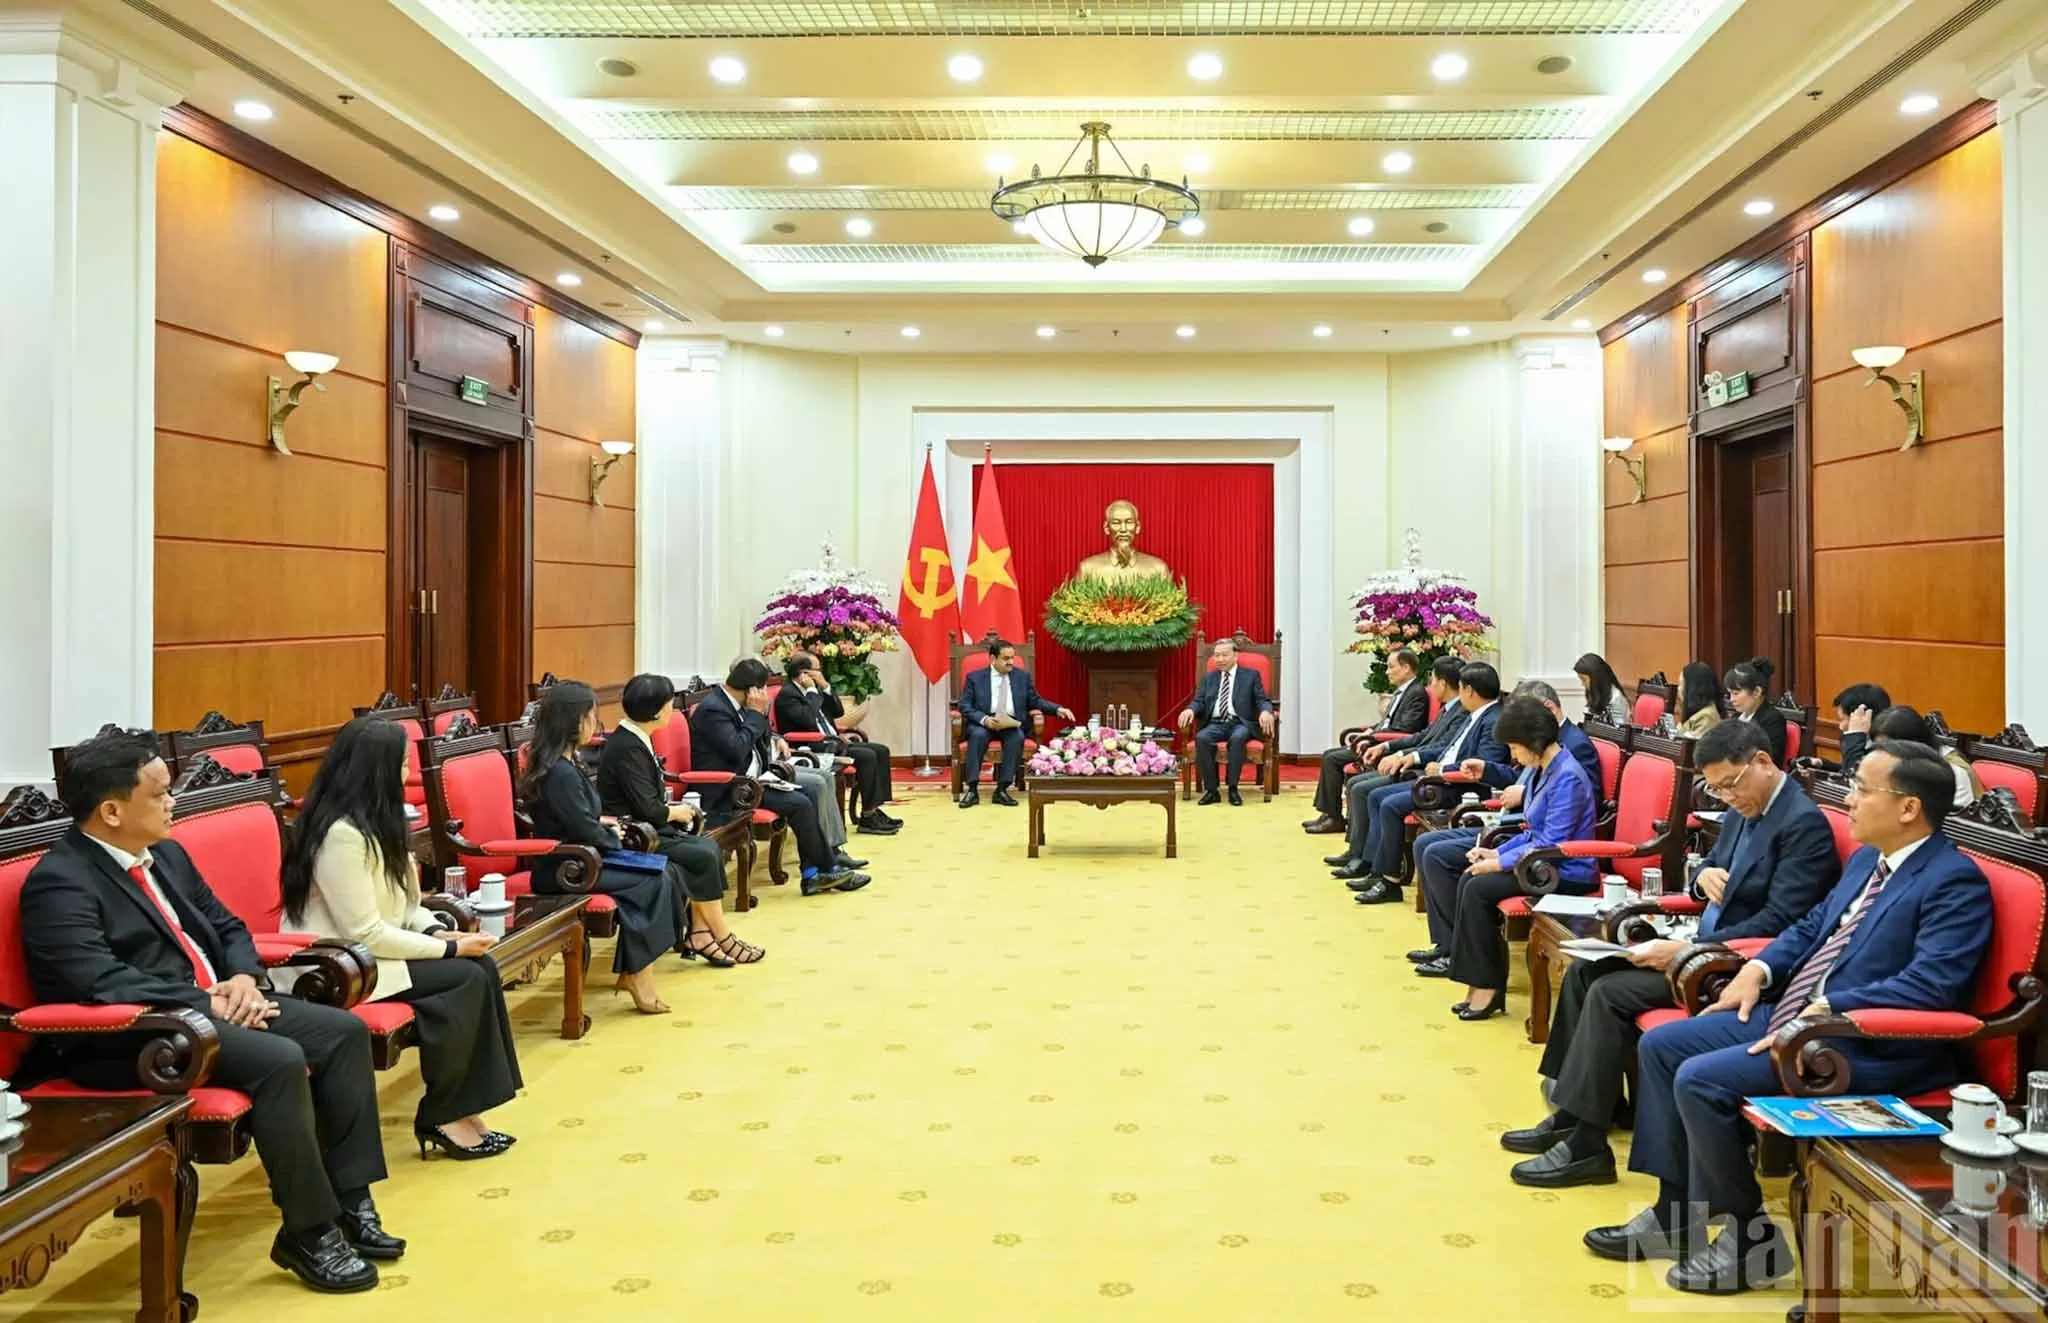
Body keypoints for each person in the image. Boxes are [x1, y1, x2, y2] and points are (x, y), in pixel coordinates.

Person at [1587, 740, 1991, 1294]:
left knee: (1700, 1079)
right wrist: (1761, 969)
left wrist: (1832, 1007)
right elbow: (1811, 928)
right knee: (1662, 1047)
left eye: (1861, 789)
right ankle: (1675, 1215)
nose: (1847, 801)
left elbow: (1933, 985)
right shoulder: (1872, 861)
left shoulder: (1953, 881)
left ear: (1908, 808)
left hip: (1865, 1044)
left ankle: (1749, 1241)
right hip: (1800, 1012)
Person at [20, 730, 399, 1293]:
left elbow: (225, 926)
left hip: (212, 1008)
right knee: (279, 1060)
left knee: (342, 1033)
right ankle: (310, 1231)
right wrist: (208, 1000)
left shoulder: (166, 853)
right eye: (160, 794)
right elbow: (98, 980)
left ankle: (350, 1199)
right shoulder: (59, 881)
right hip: (141, 1036)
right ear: (112, 810)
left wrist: (244, 978)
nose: (173, 803)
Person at [1503, 720, 1839, 1188]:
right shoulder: (1745, 804)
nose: (1726, 797)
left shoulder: (1802, 825)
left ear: (1762, 762)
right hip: (1701, 945)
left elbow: (1784, 922)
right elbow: (1712, 863)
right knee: (1584, 971)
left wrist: (1688, 951)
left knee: (1609, 992)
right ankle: (1572, 1117)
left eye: (1730, 785)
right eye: (1716, 789)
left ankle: (1586, 1145)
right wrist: (1703, 878)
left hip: (1731, 967)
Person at [283, 717, 523, 1160]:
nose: (407, 774)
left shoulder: (380, 822)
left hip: (373, 956)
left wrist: (436, 929)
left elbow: (407, 905)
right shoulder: (340, 835)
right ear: (375, 769)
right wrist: (449, 949)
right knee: (464, 978)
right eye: (402, 764)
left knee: (480, 969)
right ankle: (444, 1114)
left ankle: (461, 1107)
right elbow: (364, 933)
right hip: (335, 967)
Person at [1415, 697, 1598, 1019]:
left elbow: (1552, 843)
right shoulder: (1547, 769)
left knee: (1477, 886)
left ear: (1533, 741)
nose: (1513, 755)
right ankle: (1480, 982)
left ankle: (1487, 987)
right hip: (1540, 862)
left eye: (1515, 747)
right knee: (1473, 879)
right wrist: (1495, 852)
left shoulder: (1567, 775)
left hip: (1566, 870)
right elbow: (1532, 831)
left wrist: (1498, 864)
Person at [522, 680, 689, 1013]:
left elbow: (582, 820)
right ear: (574, 721)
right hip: (565, 868)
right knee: (653, 880)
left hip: (585, 857)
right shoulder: (561, 773)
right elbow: (582, 828)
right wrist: (616, 836)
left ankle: (635, 968)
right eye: (591, 716)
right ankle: (638, 973)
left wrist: (608, 828)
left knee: (666, 871)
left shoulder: (569, 763)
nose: (595, 724)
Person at [598, 673, 763, 965]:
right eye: (668, 703)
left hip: (648, 826)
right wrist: (677, 811)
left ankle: (700, 933)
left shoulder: (636, 738)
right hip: (635, 834)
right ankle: (720, 934)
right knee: (701, 853)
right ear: (657, 710)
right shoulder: (627, 747)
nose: (672, 708)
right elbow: (647, 807)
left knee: (705, 849)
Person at [1346, 662, 1516, 905]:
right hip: (1436, 779)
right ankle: (1377, 870)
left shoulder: (1493, 720)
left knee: (1390, 804)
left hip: (1457, 788)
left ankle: (1390, 881)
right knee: (1376, 796)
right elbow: (1443, 746)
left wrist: (1444, 769)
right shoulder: (1474, 715)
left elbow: (1485, 765)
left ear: (1469, 690)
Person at [691, 658, 865, 896]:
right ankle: (821, 871)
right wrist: (755, 714)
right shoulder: (714, 709)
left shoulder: (735, 704)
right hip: (729, 789)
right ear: (752, 689)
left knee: (808, 794)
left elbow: (758, 743)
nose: (764, 694)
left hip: (753, 780)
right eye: (762, 688)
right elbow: (737, 749)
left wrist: (761, 717)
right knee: (800, 803)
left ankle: (815, 872)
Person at [1324, 657, 1467, 875]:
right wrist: (1389, 747)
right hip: (1416, 766)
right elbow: (1423, 736)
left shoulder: (1462, 713)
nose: (1430, 685)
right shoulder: (1449, 709)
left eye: (1433, 680)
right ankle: (1358, 853)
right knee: (1357, 785)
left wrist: (1408, 757)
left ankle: (1368, 862)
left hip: (1427, 774)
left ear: (1443, 683)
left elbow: (1441, 746)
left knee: (1363, 790)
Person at [774, 653, 901, 836]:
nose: (820, 675)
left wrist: (825, 687)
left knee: (881, 751)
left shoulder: (815, 690)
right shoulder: (788, 695)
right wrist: (811, 691)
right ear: (804, 673)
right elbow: (807, 718)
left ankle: (874, 809)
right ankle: (868, 817)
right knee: (868, 756)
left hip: (832, 742)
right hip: (813, 747)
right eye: (817, 671)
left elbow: (838, 711)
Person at [1304, 648, 1427, 834]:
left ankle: (1334, 817)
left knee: (1332, 759)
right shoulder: (1403, 691)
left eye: (1391, 667)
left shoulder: (1416, 692)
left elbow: (1406, 729)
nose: (1387, 672)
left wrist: (1373, 738)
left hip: (1387, 746)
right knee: (1329, 755)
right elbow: (1389, 722)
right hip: (1378, 739)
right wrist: (1371, 730)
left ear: (1406, 668)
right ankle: (1329, 813)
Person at [957, 637, 1074, 807]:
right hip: (985, 721)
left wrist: (1057, 709)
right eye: (1006, 659)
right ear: (993, 659)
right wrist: (984, 720)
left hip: (1010, 723)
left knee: (1016, 737)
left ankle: (1002, 790)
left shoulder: (1022, 677)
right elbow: (964, 705)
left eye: (1012, 658)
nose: (1011, 662)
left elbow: (1035, 701)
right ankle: (972, 790)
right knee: (977, 735)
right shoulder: (975, 678)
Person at [1178, 637, 1276, 806]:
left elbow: (1262, 700)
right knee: (1202, 737)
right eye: (1217, 656)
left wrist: (1266, 712)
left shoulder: (1250, 676)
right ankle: (1212, 790)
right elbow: (1199, 701)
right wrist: (1190, 709)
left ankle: (1232, 788)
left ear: (1235, 656)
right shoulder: (1209, 678)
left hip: (1240, 723)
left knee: (1238, 738)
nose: (1220, 659)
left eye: (1224, 655)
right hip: (1215, 723)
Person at [1841, 704, 1982, 806]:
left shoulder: (1952, 773)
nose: (1884, 754)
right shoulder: (1895, 765)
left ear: (1914, 743)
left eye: (1891, 748)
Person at [1721, 657, 1787, 766]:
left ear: (1757, 692)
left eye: (1736, 693)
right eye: (1730, 694)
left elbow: (1769, 760)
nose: (1731, 699)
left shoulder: (1773, 719)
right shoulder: (1736, 716)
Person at [1575, 652, 1629, 726]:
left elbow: (1620, 733)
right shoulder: (1595, 693)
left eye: (1584, 680)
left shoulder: (1616, 699)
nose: (1582, 684)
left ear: (1596, 679)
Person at [1676, 661, 1724, 737]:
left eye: (1681, 684)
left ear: (1693, 688)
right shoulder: (1697, 710)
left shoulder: (1706, 716)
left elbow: (1688, 745)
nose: (1678, 689)